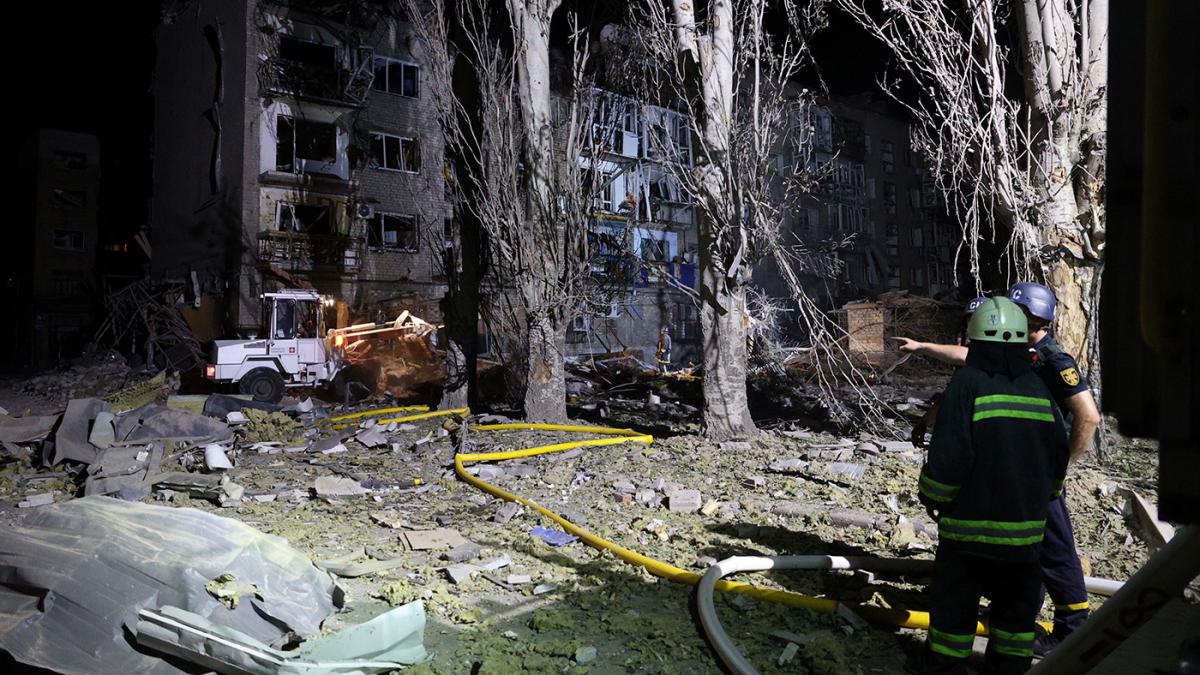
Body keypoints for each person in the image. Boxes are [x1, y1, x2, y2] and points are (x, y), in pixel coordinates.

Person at [895, 281, 1102, 653]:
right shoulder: (1015, 354)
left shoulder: (1051, 360)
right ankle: (1016, 618)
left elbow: (1088, 417)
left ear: (1032, 319)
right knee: (1025, 552)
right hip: (1019, 470)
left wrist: (1060, 468)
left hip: (1036, 475)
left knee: (1054, 549)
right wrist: (922, 347)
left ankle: (1072, 629)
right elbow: (966, 358)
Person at [916, 297, 1069, 674]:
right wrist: (1045, 496)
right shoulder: (1037, 387)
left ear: (975, 340)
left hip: (967, 534)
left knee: (955, 609)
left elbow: (950, 456)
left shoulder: (967, 383)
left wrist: (932, 496)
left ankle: (946, 668)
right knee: (1016, 616)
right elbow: (1057, 453)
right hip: (1024, 537)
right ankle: (1009, 669)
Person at [910, 297, 988, 447]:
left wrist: (920, 347)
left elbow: (964, 356)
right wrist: (924, 422)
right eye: (969, 322)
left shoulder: (994, 357)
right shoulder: (965, 367)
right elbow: (950, 394)